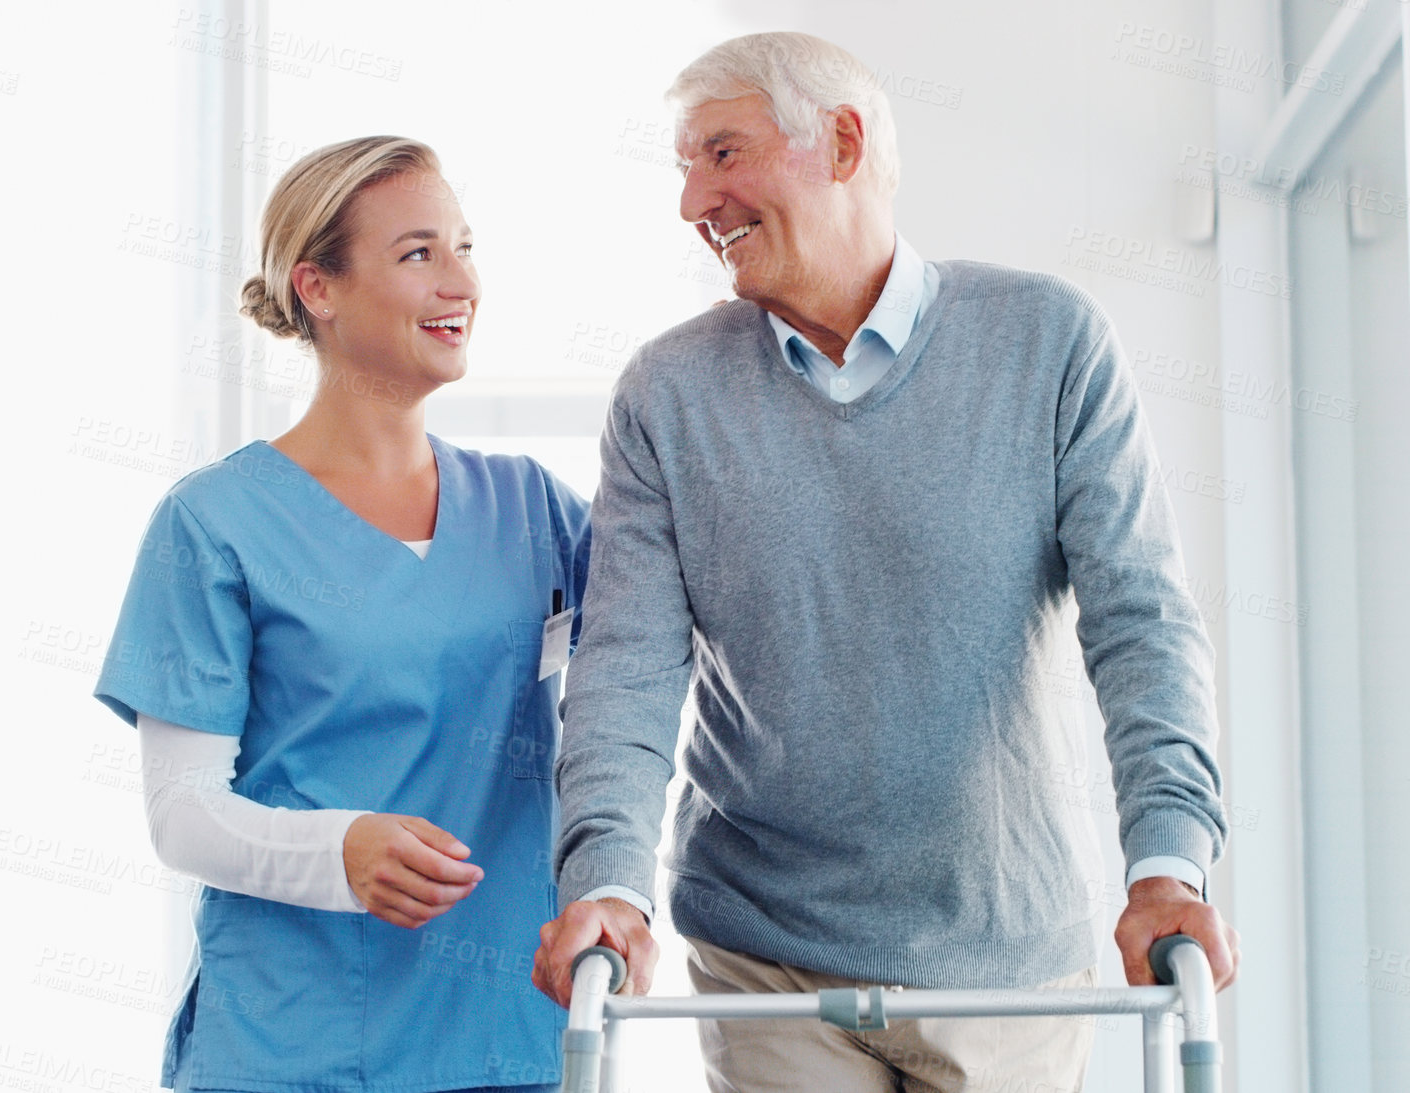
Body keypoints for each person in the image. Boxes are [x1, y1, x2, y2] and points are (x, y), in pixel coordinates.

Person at [531, 32, 1240, 1093]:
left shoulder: (1048, 343)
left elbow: (1143, 622)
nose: (693, 202)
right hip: (765, 955)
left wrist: (1168, 862)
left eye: (721, 155)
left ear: (844, 141)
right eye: (685, 169)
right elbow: (626, 672)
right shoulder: (666, 395)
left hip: (1004, 954)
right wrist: (608, 883)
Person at [93, 136, 589, 1093]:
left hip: (502, 1035)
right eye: (418, 254)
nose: (461, 281)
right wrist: (341, 849)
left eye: (465, 246)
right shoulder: (213, 523)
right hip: (293, 1043)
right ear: (316, 287)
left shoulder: (536, 511)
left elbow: (657, 674)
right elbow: (181, 813)